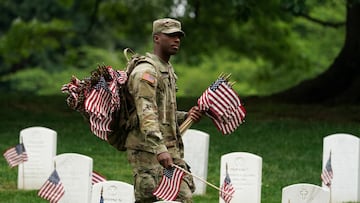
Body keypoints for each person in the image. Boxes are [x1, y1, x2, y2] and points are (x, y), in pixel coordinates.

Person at [125, 18, 203, 203]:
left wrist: (186, 116)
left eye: (178, 36)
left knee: (183, 197)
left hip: (168, 148)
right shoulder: (146, 72)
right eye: (170, 36)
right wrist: (159, 149)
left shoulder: (166, 69)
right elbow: (146, 113)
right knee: (149, 199)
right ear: (157, 38)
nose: (176, 40)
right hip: (147, 150)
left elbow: (162, 112)